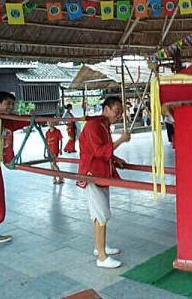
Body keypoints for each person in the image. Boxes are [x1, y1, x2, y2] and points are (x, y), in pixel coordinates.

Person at [77, 96, 130, 269]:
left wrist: (115, 159)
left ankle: (100, 246)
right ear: (106, 109)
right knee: (101, 215)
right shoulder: (93, 125)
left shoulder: (103, 125)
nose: (119, 115)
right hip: (93, 174)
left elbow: (103, 150)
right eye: (116, 111)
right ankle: (101, 256)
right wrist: (121, 140)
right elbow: (99, 151)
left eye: (121, 112)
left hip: (102, 173)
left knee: (99, 214)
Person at [0, 91, 26, 243]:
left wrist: (33, 119)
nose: (11, 107)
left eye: (12, 104)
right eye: (8, 104)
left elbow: (18, 122)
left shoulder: (5, 120)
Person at [45, 120, 64, 184]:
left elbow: (61, 140)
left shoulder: (57, 131)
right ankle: (54, 178)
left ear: (54, 123)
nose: (50, 123)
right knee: (51, 165)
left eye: (51, 122)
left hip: (55, 150)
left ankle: (61, 177)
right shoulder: (47, 133)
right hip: (49, 151)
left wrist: (61, 149)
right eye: (48, 122)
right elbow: (46, 143)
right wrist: (44, 151)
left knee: (54, 164)